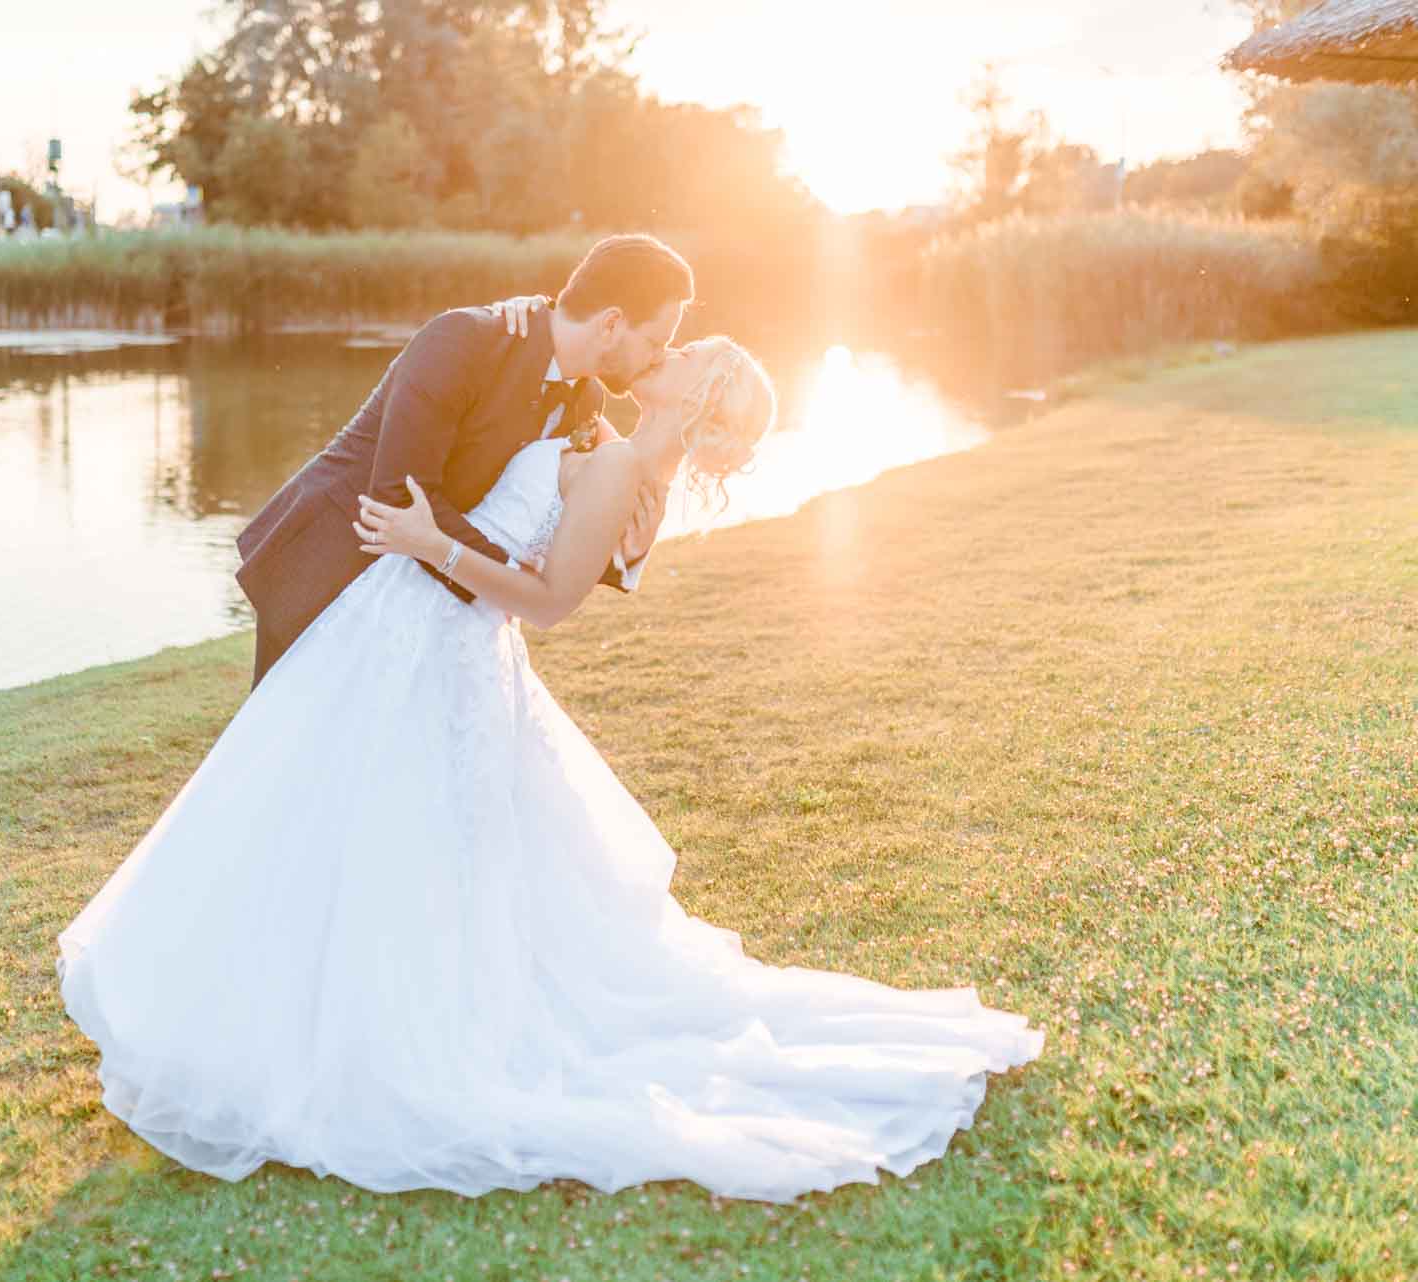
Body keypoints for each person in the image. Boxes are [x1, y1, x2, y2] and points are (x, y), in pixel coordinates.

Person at [54, 326, 1046, 1203]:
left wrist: (425, 539)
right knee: (361, 830)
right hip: (411, 641)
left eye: (686, 353)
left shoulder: (622, 472)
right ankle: (286, 1015)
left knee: (398, 843)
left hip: (447, 648)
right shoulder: (609, 445)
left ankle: (362, 1039)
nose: (667, 350)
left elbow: (543, 600)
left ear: (698, 397)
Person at [233, 233, 692, 689]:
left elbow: (557, 525)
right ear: (611, 324)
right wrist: (516, 586)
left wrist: (621, 554)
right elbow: (397, 497)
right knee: (296, 750)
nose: (659, 357)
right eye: (655, 341)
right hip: (329, 563)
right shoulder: (463, 339)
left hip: (418, 598)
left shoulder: (584, 398)